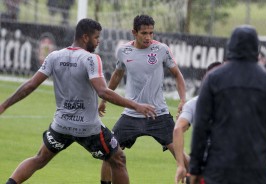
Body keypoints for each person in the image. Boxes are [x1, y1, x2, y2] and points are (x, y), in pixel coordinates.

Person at [0, 18, 156, 184]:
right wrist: (136, 105)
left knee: (39, 159)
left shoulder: (54, 56)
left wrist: (4, 104)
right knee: (118, 159)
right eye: (96, 37)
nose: (98, 41)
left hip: (61, 126)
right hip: (88, 128)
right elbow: (103, 91)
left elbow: (30, 85)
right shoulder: (91, 59)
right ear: (85, 37)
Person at [99, 14, 188, 184]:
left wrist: (183, 99)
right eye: (144, 33)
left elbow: (177, 75)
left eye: (151, 33)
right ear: (134, 32)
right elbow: (117, 75)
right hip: (131, 115)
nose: (148, 37)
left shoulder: (161, 50)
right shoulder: (124, 51)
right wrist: (104, 99)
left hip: (158, 115)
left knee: (180, 154)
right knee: (109, 153)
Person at [189, 25, 266, 184]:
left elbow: (200, 127)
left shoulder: (213, 79)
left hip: (219, 168)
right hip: (255, 170)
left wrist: (195, 168)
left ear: (230, 46)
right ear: (256, 49)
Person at [173, 61, 222, 184]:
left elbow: (178, 129)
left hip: (201, 168)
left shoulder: (193, 104)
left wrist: (180, 165)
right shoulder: (236, 104)